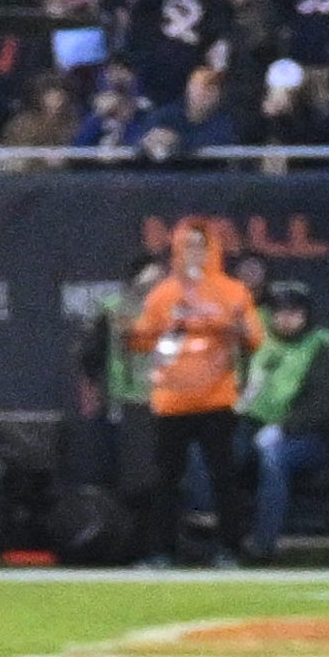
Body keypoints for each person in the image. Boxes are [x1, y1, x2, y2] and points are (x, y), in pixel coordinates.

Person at [131, 221, 257, 565]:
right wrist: (170, 328)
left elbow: (254, 338)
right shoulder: (162, 294)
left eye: (201, 245)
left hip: (217, 400)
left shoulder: (233, 291)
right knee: (164, 480)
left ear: (213, 249)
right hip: (172, 401)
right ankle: (160, 552)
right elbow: (142, 341)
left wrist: (229, 327)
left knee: (224, 477)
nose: (195, 253)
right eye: (188, 246)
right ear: (177, 250)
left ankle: (231, 549)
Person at [241, 278, 329, 564]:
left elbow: (324, 406)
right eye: (279, 311)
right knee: (210, 453)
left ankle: (262, 546)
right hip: (256, 427)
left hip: (314, 438)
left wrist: (282, 429)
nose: (286, 318)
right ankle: (220, 543)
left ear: (306, 315)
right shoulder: (261, 345)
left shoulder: (326, 346)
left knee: (274, 458)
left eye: (294, 312)